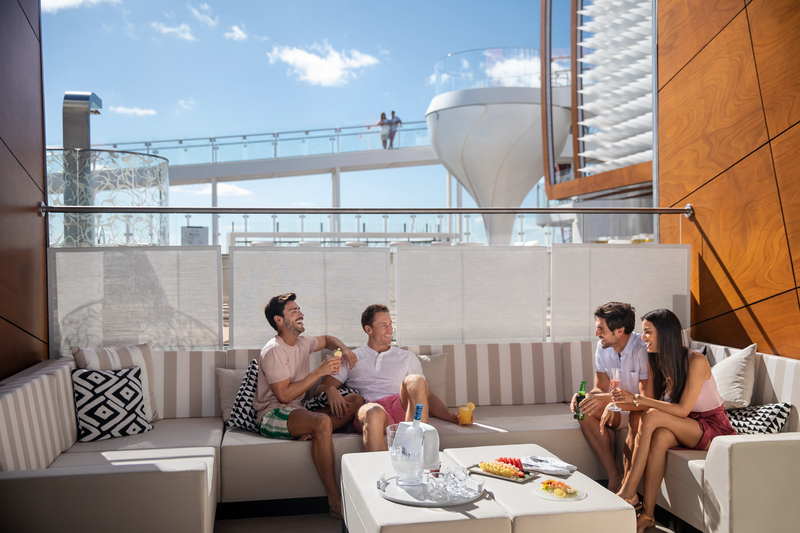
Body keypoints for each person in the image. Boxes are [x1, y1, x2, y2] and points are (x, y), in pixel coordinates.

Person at [605, 309, 735, 533]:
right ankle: (648, 514)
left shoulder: (696, 360)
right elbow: (657, 403)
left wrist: (637, 398)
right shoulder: (659, 360)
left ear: (665, 334)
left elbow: (683, 410)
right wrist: (615, 402)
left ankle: (628, 491)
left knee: (652, 416)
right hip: (685, 423)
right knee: (660, 436)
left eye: (648, 332)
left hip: (712, 427)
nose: (643, 337)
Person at [254, 293, 363, 519]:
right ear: (279, 320)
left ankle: (310, 429)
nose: (301, 314)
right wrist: (319, 372)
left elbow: (328, 339)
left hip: (298, 410)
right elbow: (283, 396)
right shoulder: (274, 349)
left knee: (354, 401)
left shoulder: (303, 343)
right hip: (272, 414)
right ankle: (334, 501)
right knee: (322, 421)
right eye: (293, 311)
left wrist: (345, 349)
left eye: (299, 309)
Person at [316, 303, 458, 451]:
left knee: (416, 380)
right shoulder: (352, 357)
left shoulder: (407, 357)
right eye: (384, 325)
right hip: (370, 407)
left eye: (390, 324)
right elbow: (321, 389)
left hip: (400, 405)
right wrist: (330, 390)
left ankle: (412, 453)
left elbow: (426, 395)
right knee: (374, 412)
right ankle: (382, 472)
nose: (390, 329)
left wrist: (450, 415)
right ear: (368, 329)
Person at [571, 302, 649, 493]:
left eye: (601, 329)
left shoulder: (642, 349)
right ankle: (614, 475)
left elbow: (647, 397)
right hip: (618, 410)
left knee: (636, 418)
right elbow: (600, 388)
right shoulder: (602, 347)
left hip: (640, 409)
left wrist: (607, 398)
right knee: (583, 407)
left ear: (620, 330)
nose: (597, 333)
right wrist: (586, 396)